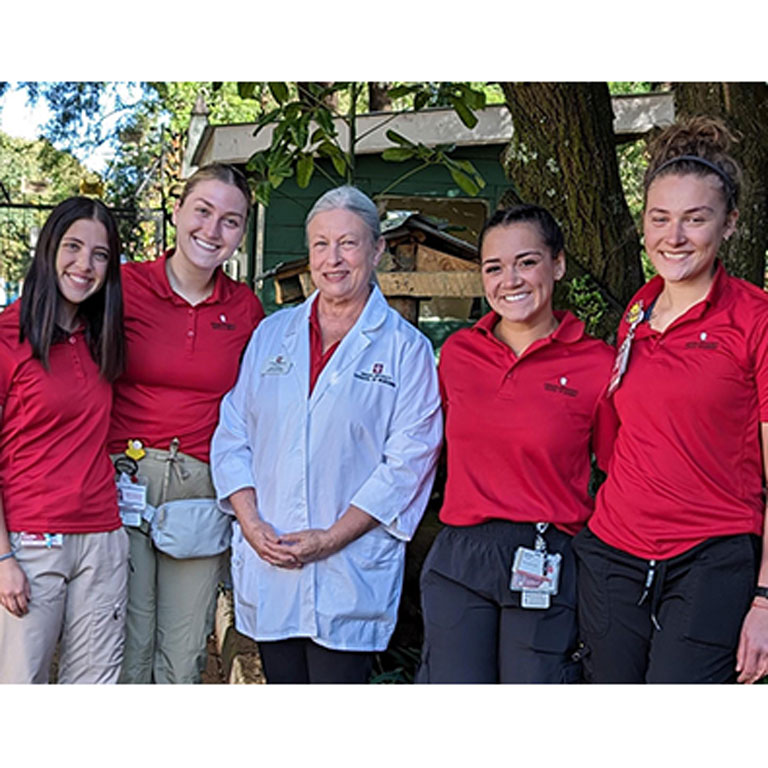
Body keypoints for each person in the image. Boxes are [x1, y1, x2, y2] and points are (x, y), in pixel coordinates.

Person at [211, 185, 442, 684]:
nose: (332, 259)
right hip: (271, 560)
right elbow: (233, 434)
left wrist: (331, 539)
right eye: (321, 244)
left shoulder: (408, 350)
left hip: (349, 571)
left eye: (348, 244)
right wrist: (251, 524)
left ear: (377, 250)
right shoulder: (272, 335)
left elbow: (408, 464)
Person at [573, 116, 768, 684]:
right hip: (614, 551)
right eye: (660, 218)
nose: (673, 236)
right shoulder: (638, 308)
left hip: (710, 558)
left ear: (729, 224)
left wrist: (764, 599)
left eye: (695, 219)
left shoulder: (755, 319)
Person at [417, 203, 616, 683]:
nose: (511, 279)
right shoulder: (459, 354)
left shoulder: (598, 363)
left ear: (558, 264)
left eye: (526, 262)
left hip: (547, 554)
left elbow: (618, 473)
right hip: (461, 555)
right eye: (494, 267)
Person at [108, 163, 264, 684]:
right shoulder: (123, 287)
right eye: (203, 211)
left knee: (183, 650)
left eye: (230, 221)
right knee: (125, 639)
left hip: (200, 482)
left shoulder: (244, 309)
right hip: (122, 478)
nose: (212, 230)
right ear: (177, 211)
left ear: (242, 233)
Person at [0, 197, 128, 683]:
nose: (85, 265)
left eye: (100, 255)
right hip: (30, 542)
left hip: (101, 538)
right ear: (49, 248)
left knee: (93, 685)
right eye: (73, 247)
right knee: (19, 682)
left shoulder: (102, 337)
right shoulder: (8, 336)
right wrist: (2, 557)